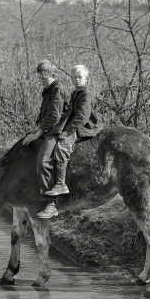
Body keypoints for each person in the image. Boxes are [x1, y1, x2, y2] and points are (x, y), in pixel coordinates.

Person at [44, 64, 102, 197]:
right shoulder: (76, 93)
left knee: (62, 147)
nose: (76, 79)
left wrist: (66, 131)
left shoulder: (85, 95)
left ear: (86, 79)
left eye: (80, 77)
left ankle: (60, 184)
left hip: (86, 125)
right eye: (74, 77)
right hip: (77, 123)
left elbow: (82, 117)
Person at [22, 60, 68, 219]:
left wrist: (37, 133)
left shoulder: (57, 90)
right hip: (50, 127)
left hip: (58, 129)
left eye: (44, 79)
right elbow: (45, 114)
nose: (41, 82)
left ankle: (51, 204)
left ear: (53, 75)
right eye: (39, 79)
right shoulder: (48, 89)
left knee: (43, 161)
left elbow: (54, 117)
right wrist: (36, 128)